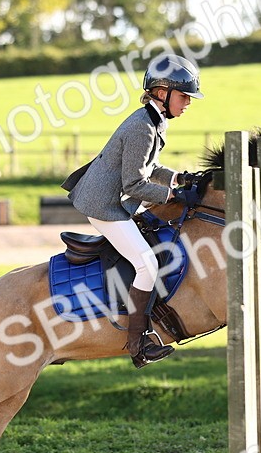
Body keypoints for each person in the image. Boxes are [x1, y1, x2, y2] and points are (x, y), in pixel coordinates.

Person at [61, 53, 207, 368]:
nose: (188, 103)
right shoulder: (143, 126)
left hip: (114, 198)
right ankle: (137, 344)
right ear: (162, 92)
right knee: (147, 266)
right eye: (184, 96)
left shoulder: (153, 119)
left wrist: (179, 177)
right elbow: (134, 184)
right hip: (105, 206)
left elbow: (149, 166)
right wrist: (173, 194)